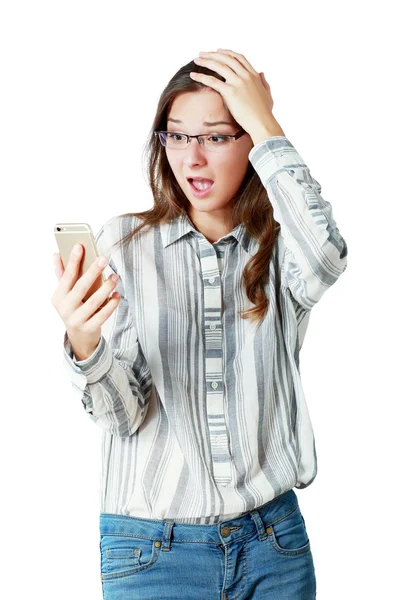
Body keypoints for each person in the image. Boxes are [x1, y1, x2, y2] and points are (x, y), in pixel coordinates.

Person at [52, 48, 347, 599]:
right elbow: (122, 415)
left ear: (249, 143)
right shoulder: (124, 244)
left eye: (216, 136)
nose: (193, 157)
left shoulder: (281, 249)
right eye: (177, 135)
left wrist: (265, 121)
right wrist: (85, 342)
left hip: (273, 543)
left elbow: (327, 253)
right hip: (152, 552)